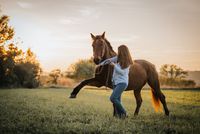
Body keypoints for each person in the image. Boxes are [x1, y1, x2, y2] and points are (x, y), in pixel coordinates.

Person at [98, 45, 133, 118]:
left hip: (122, 83)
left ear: (122, 52)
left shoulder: (128, 62)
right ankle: (120, 116)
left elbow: (123, 72)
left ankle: (124, 113)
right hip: (115, 82)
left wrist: (114, 66)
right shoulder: (117, 58)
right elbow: (108, 61)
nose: (118, 52)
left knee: (113, 98)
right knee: (118, 100)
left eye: (119, 50)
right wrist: (100, 64)